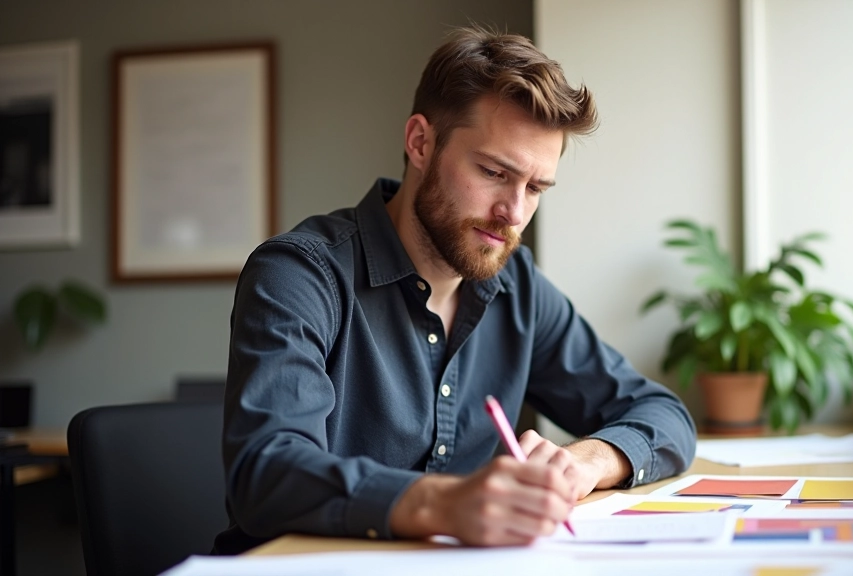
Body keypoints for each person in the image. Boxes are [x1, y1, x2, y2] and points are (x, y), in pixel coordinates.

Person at [214, 26, 697, 554]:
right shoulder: (300, 275)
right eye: (494, 172)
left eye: (535, 188)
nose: (514, 213)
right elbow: (266, 472)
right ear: (420, 143)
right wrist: (444, 503)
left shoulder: (520, 288)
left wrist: (590, 459)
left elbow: (662, 414)